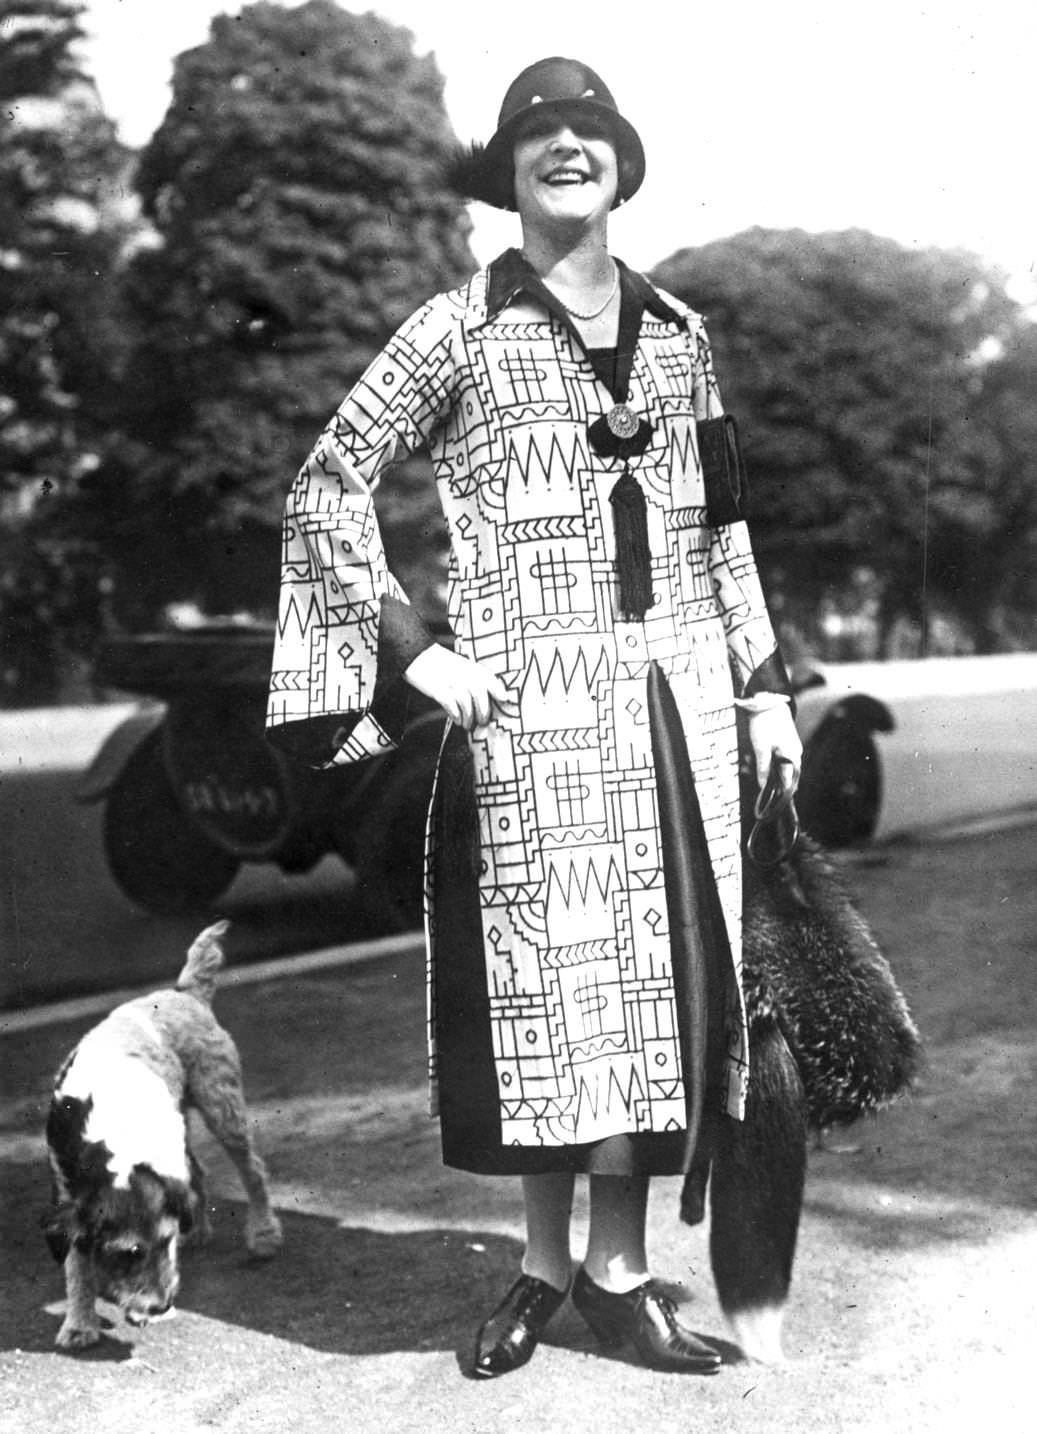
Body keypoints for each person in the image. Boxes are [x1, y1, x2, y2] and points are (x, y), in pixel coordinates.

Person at [266, 56, 802, 1378]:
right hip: (527, 716)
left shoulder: (680, 337)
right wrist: (412, 653)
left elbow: (720, 524)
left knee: (649, 997)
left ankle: (616, 1276)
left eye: (589, 131)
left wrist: (765, 683)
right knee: (546, 997)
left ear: (619, 162)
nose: (567, 147)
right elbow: (326, 481)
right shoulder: (451, 329)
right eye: (537, 135)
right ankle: (541, 1265)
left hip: (673, 714)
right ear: (504, 175)